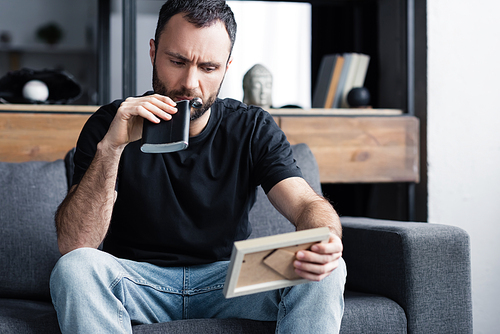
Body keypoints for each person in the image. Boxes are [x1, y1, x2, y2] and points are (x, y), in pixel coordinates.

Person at [49, 1, 346, 333]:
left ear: (226, 68)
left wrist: (325, 239)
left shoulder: (251, 128)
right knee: (74, 267)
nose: (189, 83)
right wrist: (112, 147)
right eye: (177, 61)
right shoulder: (110, 124)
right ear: (153, 52)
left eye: (208, 67)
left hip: (230, 280)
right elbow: (75, 245)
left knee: (329, 267)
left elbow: (306, 203)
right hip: (136, 281)